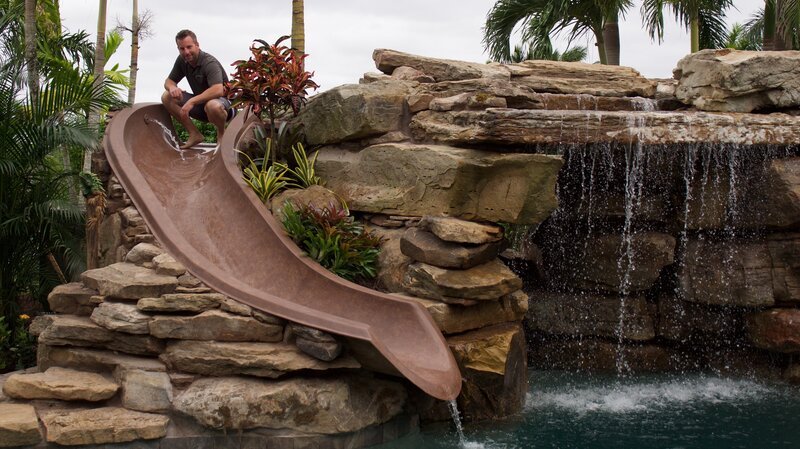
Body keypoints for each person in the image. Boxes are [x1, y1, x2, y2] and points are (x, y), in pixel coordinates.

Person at [161, 29, 234, 149]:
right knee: (167, 96)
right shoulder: (182, 61)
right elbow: (169, 81)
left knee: (212, 105)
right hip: (202, 107)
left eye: (189, 47)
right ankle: (194, 134)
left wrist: (192, 101)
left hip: (225, 108)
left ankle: (221, 135)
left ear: (197, 45)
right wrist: (172, 87)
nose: (186, 52)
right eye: (182, 49)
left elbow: (218, 90)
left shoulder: (209, 62)